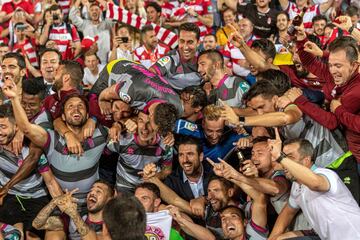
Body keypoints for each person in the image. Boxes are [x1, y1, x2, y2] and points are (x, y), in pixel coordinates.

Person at [268, 134, 360, 240]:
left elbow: (315, 183)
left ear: (306, 160)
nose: (284, 163)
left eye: (289, 157)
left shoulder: (325, 174)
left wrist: (280, 157)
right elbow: (288, 212)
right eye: (284, 157)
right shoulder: (296, 185)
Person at [0, 104, 50, 239]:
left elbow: (34, 160)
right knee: (15, 235)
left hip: (37, 196)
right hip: (10, 196)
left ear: (16, 127)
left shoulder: (31, 143)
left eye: (3, 127)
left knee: (32, 235)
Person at [107, 111, 173, 193]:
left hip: (149, 187)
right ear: (136, 122)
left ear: (157, 126)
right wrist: (117, 126)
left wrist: (155, 176)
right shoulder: (122, 140)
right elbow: (105, 152)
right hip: (124, 186)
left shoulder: (166, 143)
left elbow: (167, 170)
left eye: (149, 122)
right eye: (141, 121)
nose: (144, 127)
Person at [33, 180, 114, 240]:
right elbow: (37, 224)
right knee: (53, 236)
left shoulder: (111, 224)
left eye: (98, 191)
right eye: (91, 190)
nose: (92, 193)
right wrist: (54, 202)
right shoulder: (78, 212)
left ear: (109, 200)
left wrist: (74, 214)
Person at [174, 104, 247, 162]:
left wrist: (247, 140)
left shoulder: (234, 134)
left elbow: (253, 140)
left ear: (224, 124)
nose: (214, 136)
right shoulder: (192, 130)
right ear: (203, 124)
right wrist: (169, 134)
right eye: (210, 131)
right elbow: (168, 122)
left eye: (219, 131)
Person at [150, 23, 202, 91]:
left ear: (198, 43)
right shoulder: (170, 58)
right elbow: (150, 73)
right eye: (182, 41)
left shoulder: (203, 59)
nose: (185, 47)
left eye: (190, 42)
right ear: (178, 40)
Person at [69, 0, 112, 64]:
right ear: (89, 13)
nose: (94, 11)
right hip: (90, 63)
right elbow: (72, 16)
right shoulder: (84, 24)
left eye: (96, 10)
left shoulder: (107, 24)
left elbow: (108, 6)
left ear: (100, 12)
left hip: (105, 62)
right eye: (92, 10)